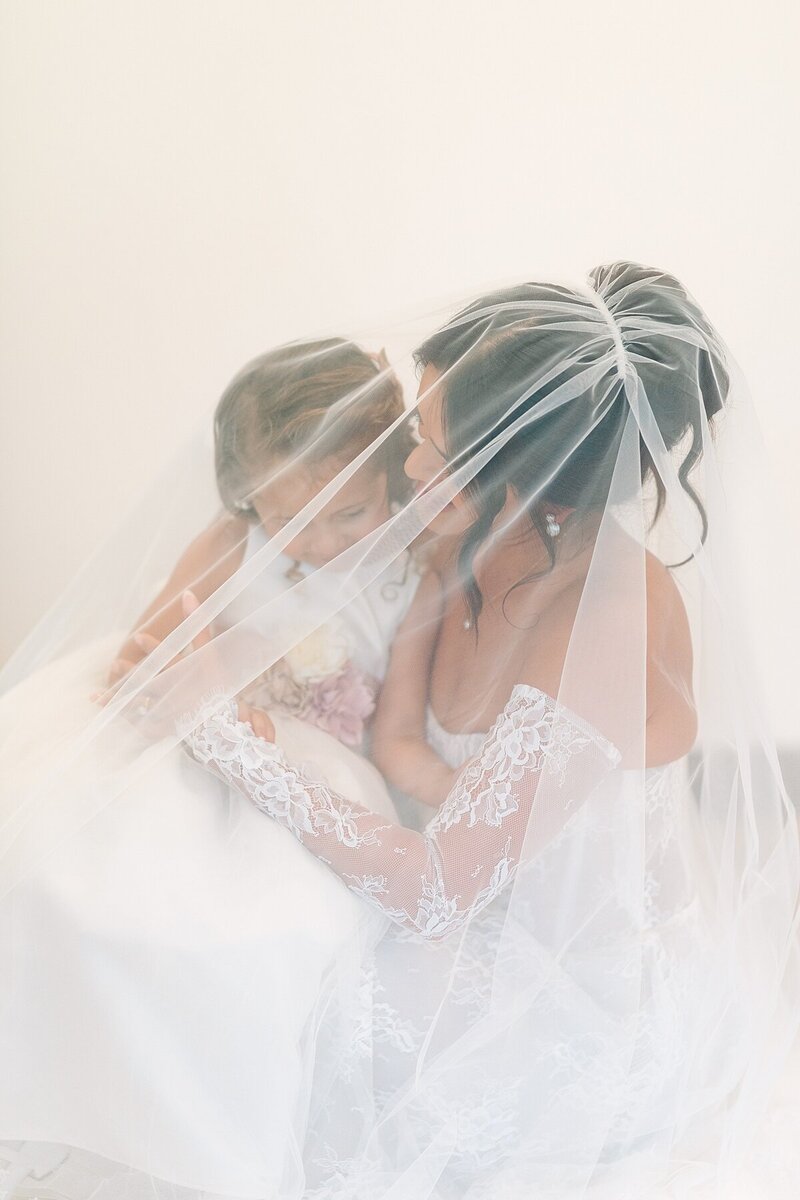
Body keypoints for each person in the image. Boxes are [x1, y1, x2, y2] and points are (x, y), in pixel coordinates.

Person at [1, 263, 799, 1200]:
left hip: (565, 987)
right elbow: (275, 557)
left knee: (279, 1014)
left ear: (519, 467)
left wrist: (215, 727)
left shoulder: (608, 617)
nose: (404, 462)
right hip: (461, 887)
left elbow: (434, 895)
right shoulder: (469, 531)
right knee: (155, 894)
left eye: (426, 440)